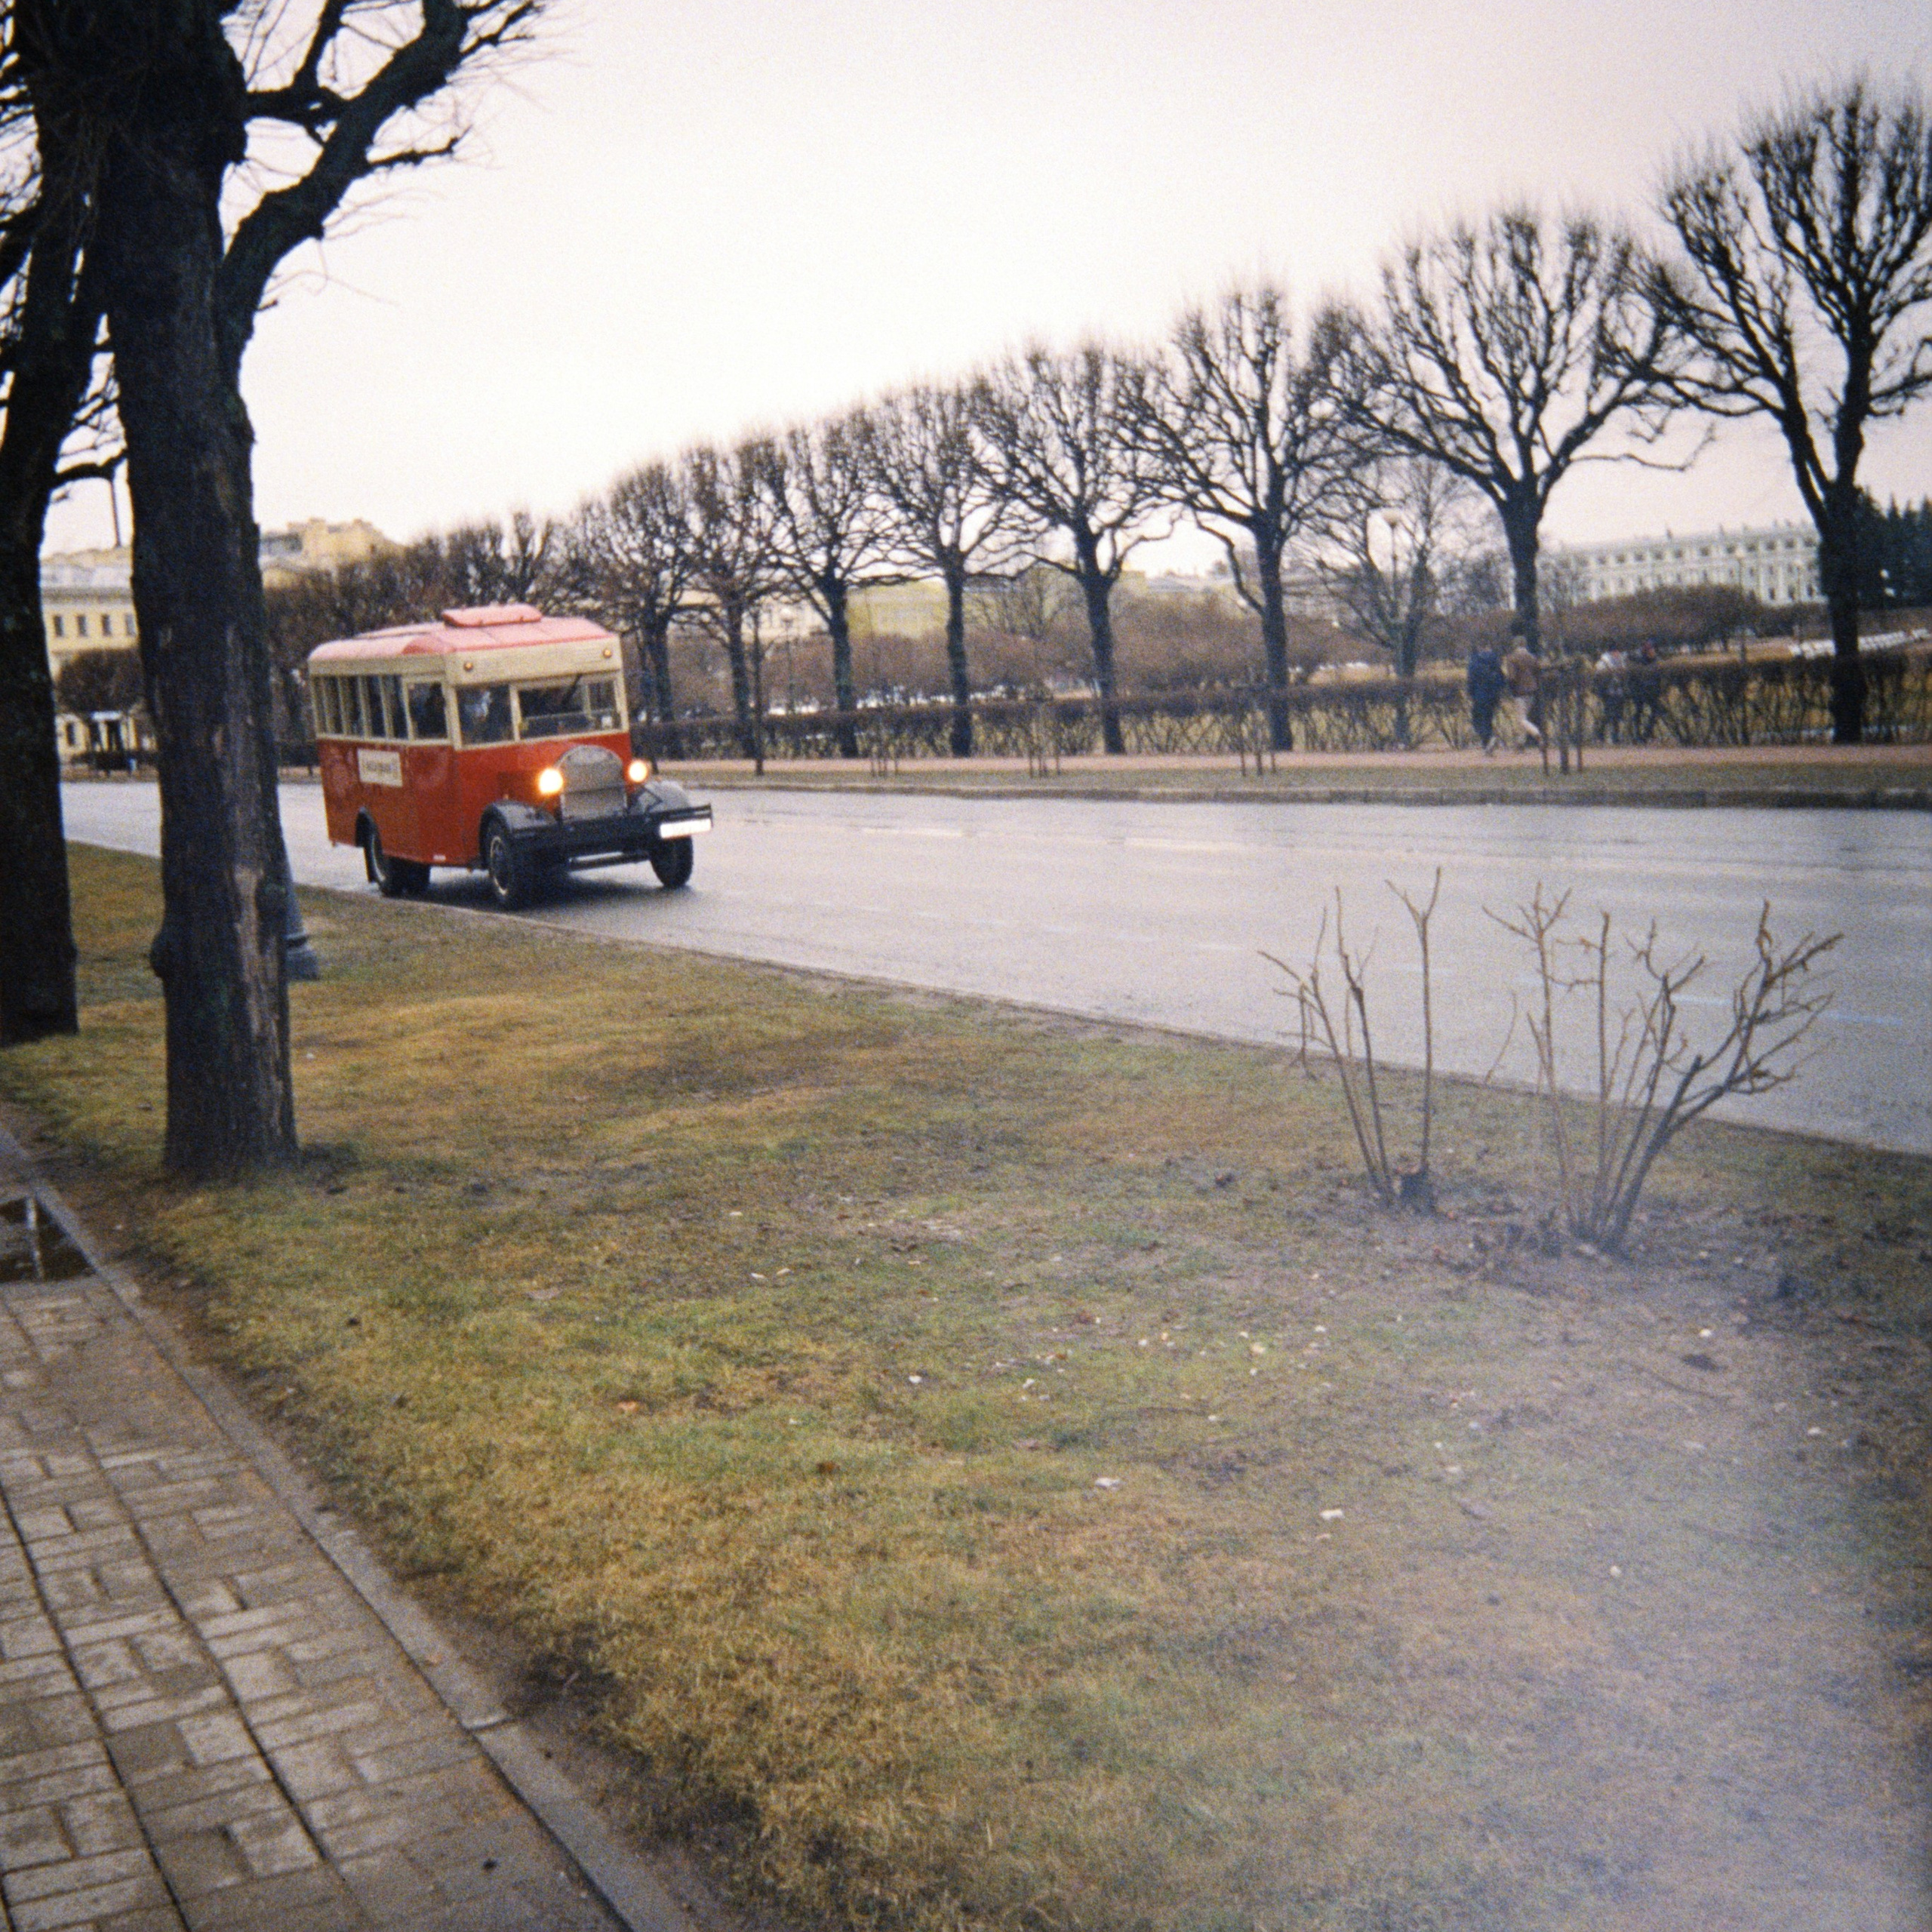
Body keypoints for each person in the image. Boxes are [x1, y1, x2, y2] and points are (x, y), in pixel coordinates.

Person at [1501, 622, 1543, 746]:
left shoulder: (1512, 658)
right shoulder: (1532, 657)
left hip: (1520, 692)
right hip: (1532, 690)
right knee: (1524, 718)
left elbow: (1512, 678)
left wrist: (1511, 691)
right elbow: (1538, 672)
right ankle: (1521, 742)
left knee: (1521, 720)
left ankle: (1537, 734)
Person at [1466, 638, 1505, 755]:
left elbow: (1471, 679)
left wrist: (1470, 693)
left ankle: (1487, 739)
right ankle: (1487, 745)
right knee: (1488, 718)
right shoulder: (1495, 661)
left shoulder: (1474, 661)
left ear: (1479, 647)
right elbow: (1501, 678)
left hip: (1479, 694)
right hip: (1493, 694)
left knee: (1477, 720)